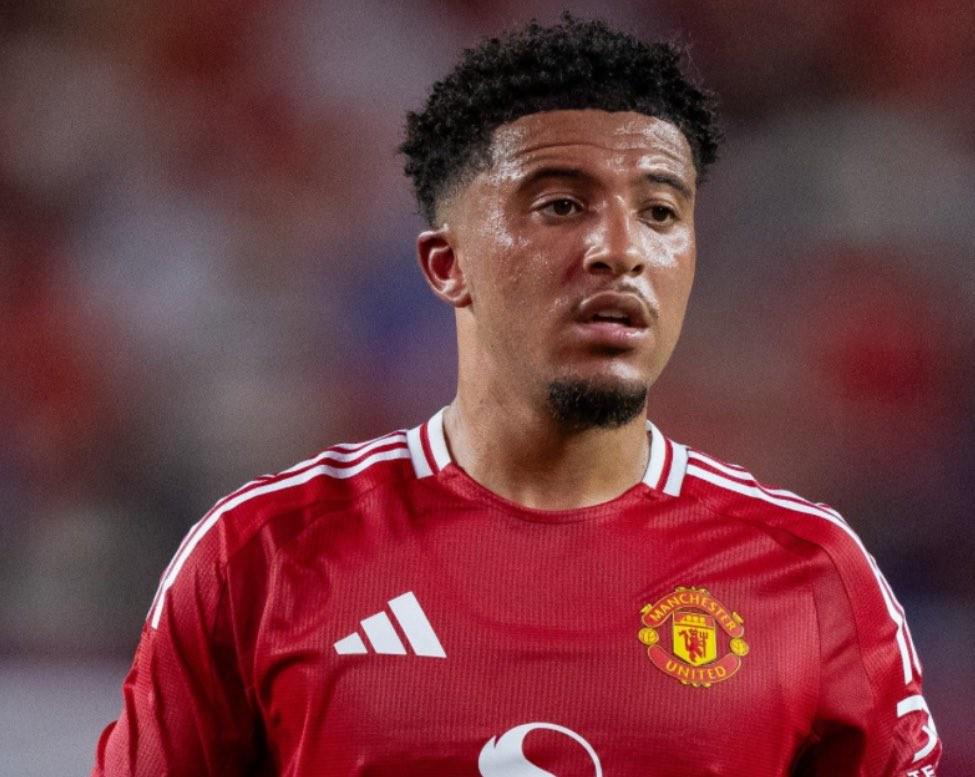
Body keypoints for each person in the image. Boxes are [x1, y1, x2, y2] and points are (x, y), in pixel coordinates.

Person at [93, 16, 940, 776]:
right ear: (446, 264)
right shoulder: (262, 557)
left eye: (658, 212)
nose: (619, 249)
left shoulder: (809, 574)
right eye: (562, 204)